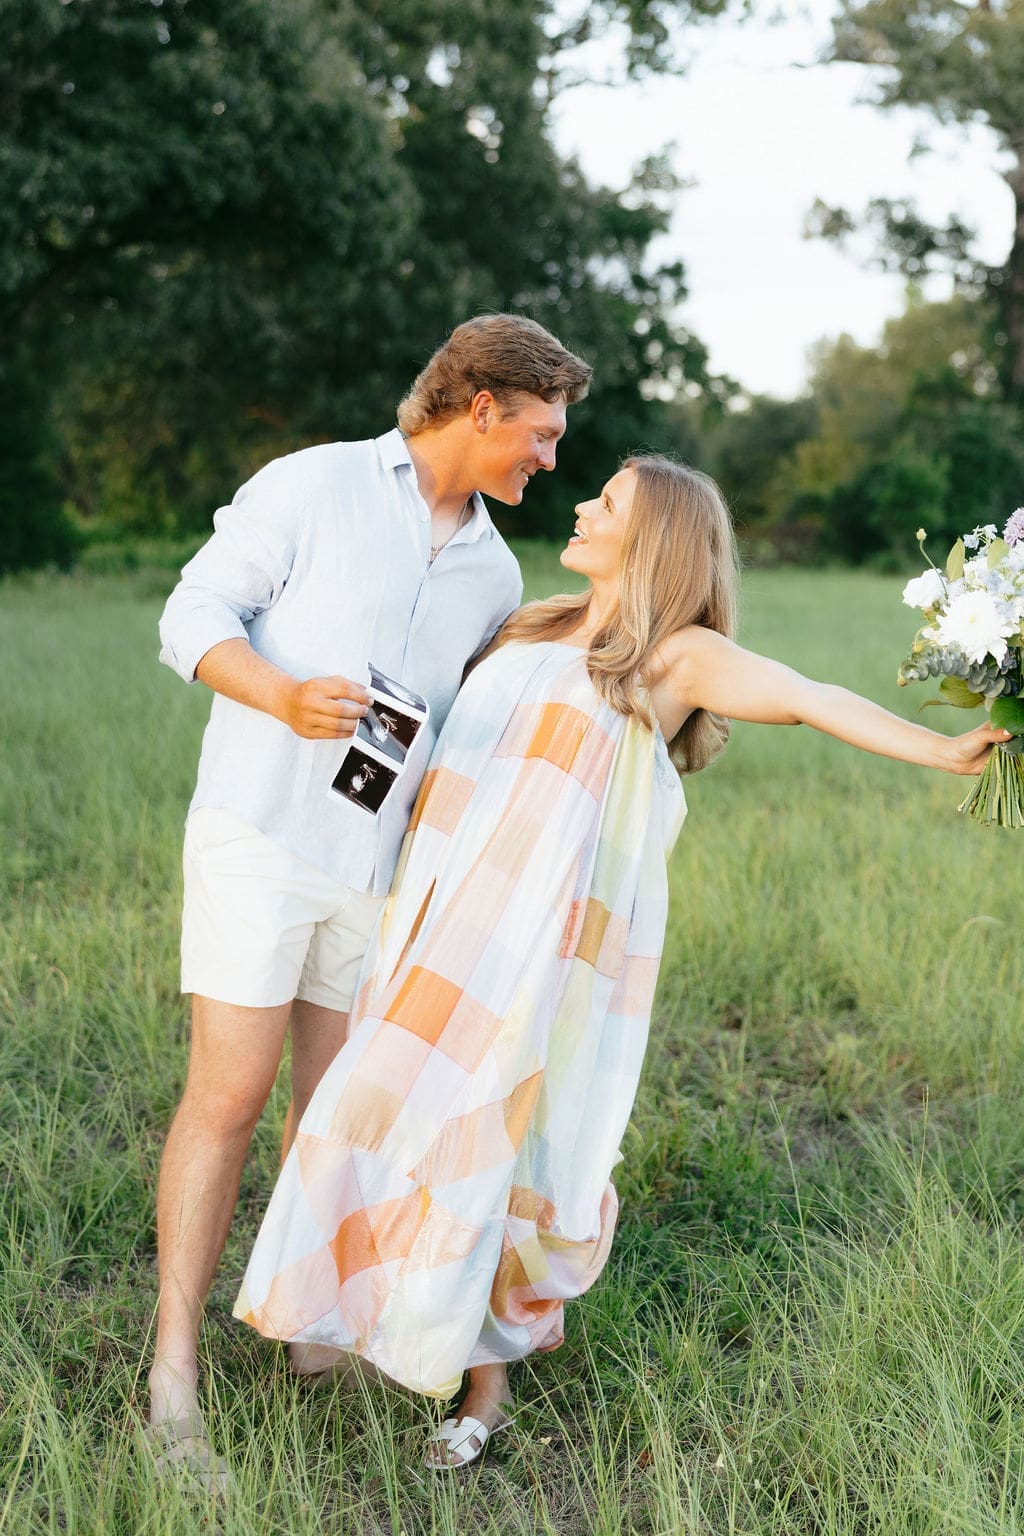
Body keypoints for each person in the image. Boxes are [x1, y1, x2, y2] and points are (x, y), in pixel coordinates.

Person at [235, 455, 1009, 1471]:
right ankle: (352, 1306)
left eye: (607, 503)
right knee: (374, 1102)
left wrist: (937, 750)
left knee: (498, 1134)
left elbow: (807, 694)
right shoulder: (533, 623)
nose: (582, 505)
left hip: (535, 941)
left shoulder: (670, 658)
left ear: (654, 542)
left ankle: (486, 1381)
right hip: (434, 917)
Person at [149, 314, 592, 1486]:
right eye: (540, 435)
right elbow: (189, 616)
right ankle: (174, 1372)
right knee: (230, 1095)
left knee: (330, 1110)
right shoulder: (315, 484)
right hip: (258, 838)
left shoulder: (494, 570)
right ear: (484, 405)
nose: (548, 461)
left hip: (376, 876)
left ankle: (307, 1326)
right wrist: (282, 696)